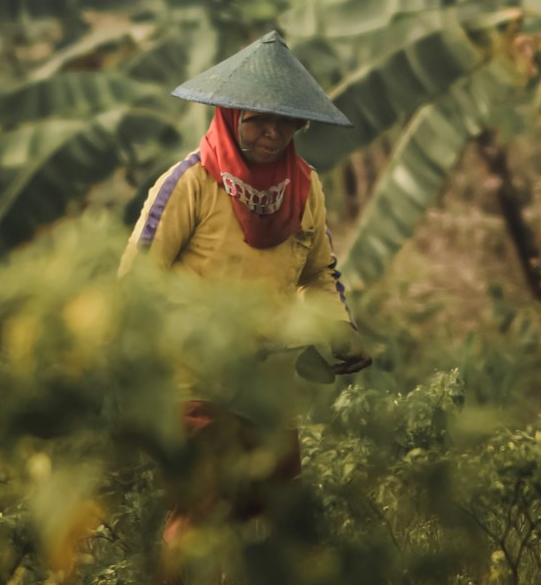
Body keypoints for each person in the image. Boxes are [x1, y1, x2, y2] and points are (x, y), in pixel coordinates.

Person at [118, 29, 372, 581]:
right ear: (231, 116)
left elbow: (320, 273)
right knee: (201, 517)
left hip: (266, 386)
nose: (272, 133)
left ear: (300, 127)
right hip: (194, 383)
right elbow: (136, 282)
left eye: (285, 122)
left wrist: (339, 330)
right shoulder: (189, 183)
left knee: (275, 518)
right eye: (258, 120)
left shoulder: (306, 187)